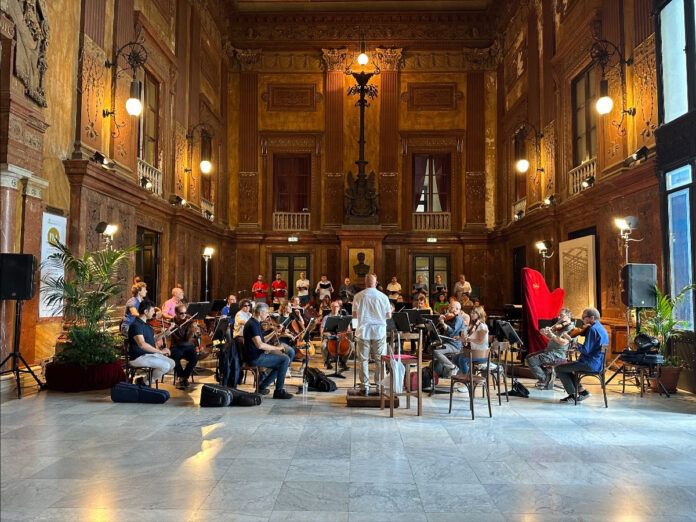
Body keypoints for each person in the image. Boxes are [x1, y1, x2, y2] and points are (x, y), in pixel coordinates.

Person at [555, 307, 608, 403]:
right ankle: (582, 391)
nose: (582, 320)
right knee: (569, 368)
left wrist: (572, 341)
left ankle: (573, 395)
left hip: (590, 364)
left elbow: (585, 350)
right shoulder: (602, 328)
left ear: (591, 318)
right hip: (598, 364)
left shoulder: (592, 329)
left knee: (559, 368)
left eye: (584, 317)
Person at [242, 302, 293, 399]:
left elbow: (262, 340)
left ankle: (262, 387)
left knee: (282, 364)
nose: (268, 315)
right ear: (261, 312)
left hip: (256, 355)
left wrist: (275, 332)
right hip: (254, 357)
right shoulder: (252, 324)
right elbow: (260, 345)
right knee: (285, 359)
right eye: (266, 313)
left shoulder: (255, 323)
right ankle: (279, 391)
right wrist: (277, 348)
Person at [352, 273, 391, 395]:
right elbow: (388, 315)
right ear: (376, 283)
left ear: (365, 283)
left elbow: (354, 315)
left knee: (363, 360)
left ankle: (365, 387)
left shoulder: (358, 296)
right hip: (379, 331)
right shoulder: (383, 297)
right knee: (380, 360)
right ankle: (380, 387)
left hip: (363, 331)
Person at [128, 299, 175, 386]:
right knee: (165, 366)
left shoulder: (147, 325)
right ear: (146, 311)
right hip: (139, 357)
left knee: (172, 363)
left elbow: (152, 339)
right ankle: (145, 382)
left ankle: (143, 381)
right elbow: (142, 344)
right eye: (152, 310)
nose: (154, 313)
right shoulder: (136, 325)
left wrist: (165, 333)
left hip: (148, 355)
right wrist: (161, 352)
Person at [526, 308, 574, 389]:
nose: (558, 317)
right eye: (558, 315)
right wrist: (544, 333)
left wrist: (551, 334)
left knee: (532, 360)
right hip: (549, 351)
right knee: (528, 357)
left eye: (561, 315)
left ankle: (545, 379)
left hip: (557, 354)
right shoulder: (559, 326)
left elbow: (563, 342)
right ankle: (548, 375)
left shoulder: (570, 328)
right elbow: (551, 337)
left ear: (568, 317)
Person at [168, 303, 200, 389]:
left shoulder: (189, 321)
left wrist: (192, 332)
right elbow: (177, 339)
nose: (184, 315)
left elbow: (187, 339)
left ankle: (183, 377)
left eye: (185, 313)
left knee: (194, 357)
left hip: (188, 345)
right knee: (175, 357)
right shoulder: (171, 322)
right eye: (181, 313)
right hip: (176, 345)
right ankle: (182, 378)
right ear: (176, 313)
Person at [453, 305, 490, 378]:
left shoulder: (482, 326)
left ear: (479, 314)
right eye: (471, 312)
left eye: (474, 313)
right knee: (455, 358)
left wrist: (467, 339)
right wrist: (459, 338)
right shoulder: (474, 325)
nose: (471, 314)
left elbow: (480, 341)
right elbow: (470, 339)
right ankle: (465, 374)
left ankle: (468, 380)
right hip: (474, 352)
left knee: (462, 359)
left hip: (481, 353)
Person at [431, 300, 465, 375]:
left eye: (451, 307)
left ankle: (452, 367)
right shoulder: (451, 317)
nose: (449, 309)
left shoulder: (458, 318)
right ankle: (436, 372)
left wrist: (443, 323)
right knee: (432, 348)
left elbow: (451, 331)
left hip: (454, 344)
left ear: (457, 309)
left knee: (436, 351)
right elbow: (441, 328)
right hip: (447, 342)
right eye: (449, 307)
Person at [320, 300, 353, 370]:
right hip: (329, 337)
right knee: (323, 346)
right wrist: (328, 334)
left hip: (341, 336)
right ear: (330, 307)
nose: (335, 308)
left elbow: (348, 328)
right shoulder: (326, 317)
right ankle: (326, 362)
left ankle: (343, 362)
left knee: (351, 345)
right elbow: (322, 330)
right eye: (333, 306)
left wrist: (347, 331)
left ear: (339, 308)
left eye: (337, 307)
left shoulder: (342, 317)